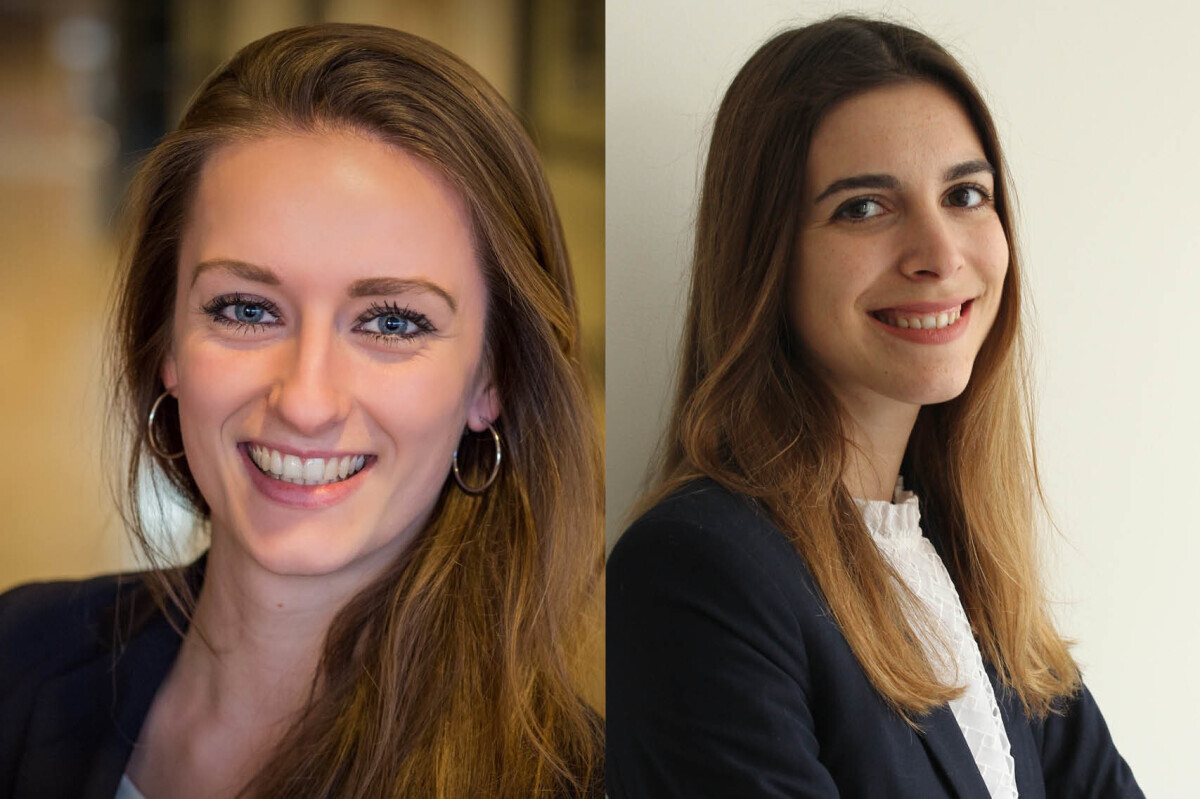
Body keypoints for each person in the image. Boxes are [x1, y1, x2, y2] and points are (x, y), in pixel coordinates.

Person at [0, 23, 602, 799]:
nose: (306, 402)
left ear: (492, 377)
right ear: (166, 340)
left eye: (392, 322)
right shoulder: (18, 655)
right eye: (247, 309)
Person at [607, 16, 1141, 798]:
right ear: (766, 255)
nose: (940, 254)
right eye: (863, 207)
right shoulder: (694, 571)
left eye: (965, 195)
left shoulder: (969, 567)